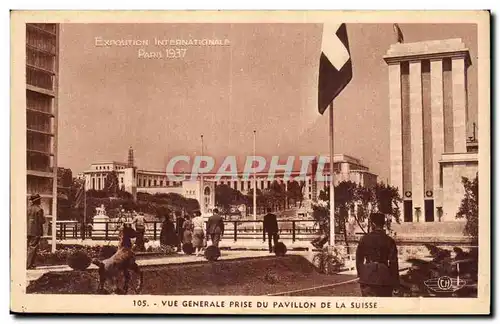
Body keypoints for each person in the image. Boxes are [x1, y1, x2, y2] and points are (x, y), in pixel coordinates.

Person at [356, 212, 400, 297]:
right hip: (384, 277)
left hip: (368, 277)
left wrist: (362, 273)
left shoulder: (364, 239)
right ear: (383, 224)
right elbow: (393, 262)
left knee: (370, 307)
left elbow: (359, 259)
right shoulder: (389, 240)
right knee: (383, 307)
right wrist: (395, 282)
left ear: (372, 224)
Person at [27, 194, 45, 269]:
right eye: (39, 199)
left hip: (29, 230)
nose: (41, 200)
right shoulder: (39, 209)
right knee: (33, 247)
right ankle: (28, 265)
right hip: (36, 231)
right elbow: (42, 221)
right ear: (37, 201)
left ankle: (31, 264)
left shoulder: (28, 209)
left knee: (30, 247)